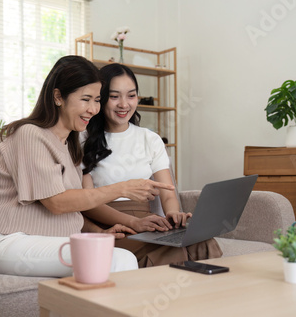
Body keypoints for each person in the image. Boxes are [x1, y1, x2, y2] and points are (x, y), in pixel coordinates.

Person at [0, 56, 175, 277]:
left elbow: (73, 211)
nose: (93, 109)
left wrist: (100, 232)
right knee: (117, 259)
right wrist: (122, 188)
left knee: (115, 255)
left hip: (58, 240)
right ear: (58, 97)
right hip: (12, 243)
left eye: (97, 100)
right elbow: (56, 202)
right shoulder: (30, 135)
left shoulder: (70, 144)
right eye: (86, 99)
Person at [82, 63, 222, 267]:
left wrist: (173, 214)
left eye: (131, 95)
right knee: (167, 249)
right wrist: (134, 222)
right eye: (114, 96)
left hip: (146, 220)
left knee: (204, 242)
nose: (124, 104)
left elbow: (167, 192)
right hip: (111, 224)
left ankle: (209, 298)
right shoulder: (83, 139)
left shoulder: (150, 139)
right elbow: (87, 203)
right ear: (101, 98)